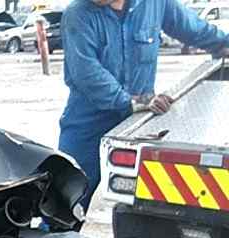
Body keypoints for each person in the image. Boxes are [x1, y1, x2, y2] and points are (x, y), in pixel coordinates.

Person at [58, 0, 229, 206]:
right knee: (65, 200)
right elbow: (86, 72)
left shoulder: (155, 4)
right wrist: (129, 101)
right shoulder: (78, 14)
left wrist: (223, 44)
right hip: (87, 122)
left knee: (145, 203)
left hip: (140, 121)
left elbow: (193, 28)